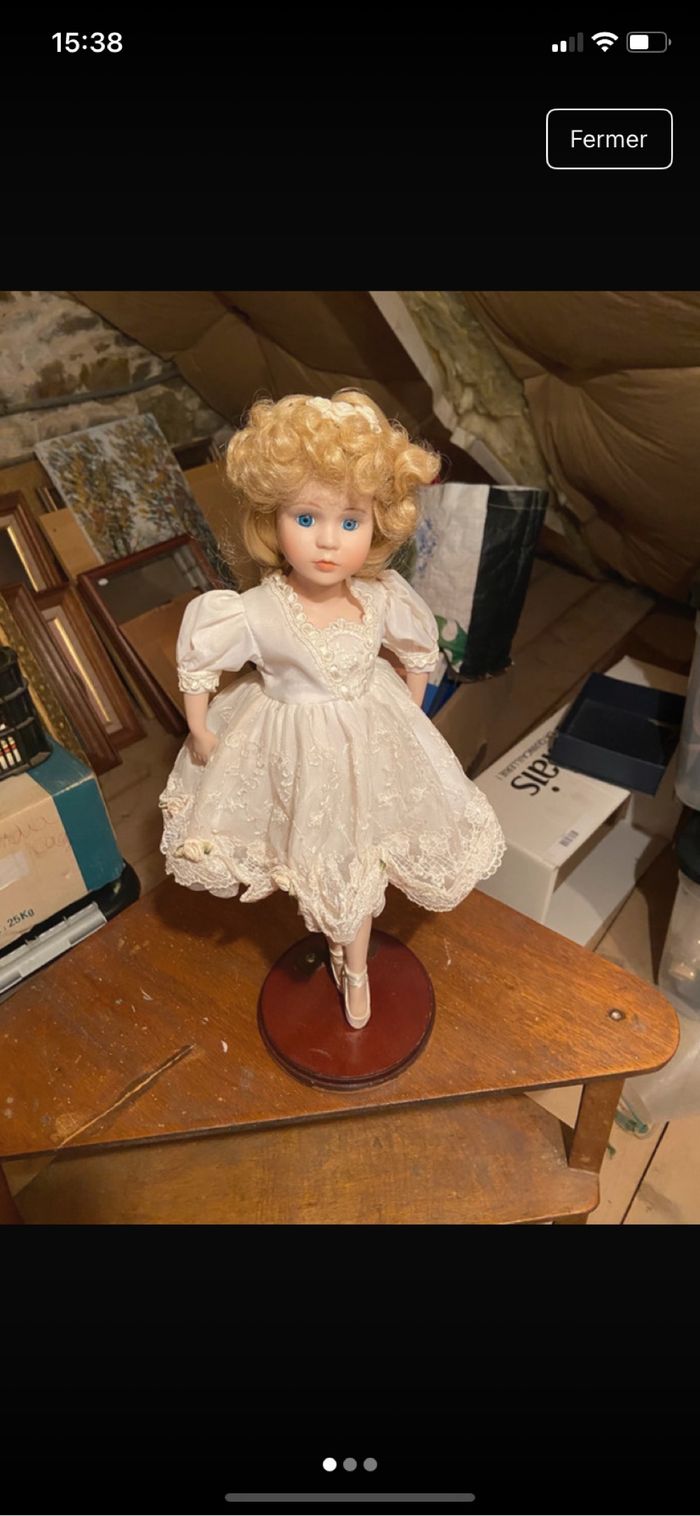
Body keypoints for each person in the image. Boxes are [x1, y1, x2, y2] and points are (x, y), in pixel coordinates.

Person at [159, 390, 505, 1030]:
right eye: (305, 517)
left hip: (369, 735)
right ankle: (345, 948)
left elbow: (418, 651)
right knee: (318, 852)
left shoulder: (381, 595)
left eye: (350, 522)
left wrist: (410, 714)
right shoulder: (255, 611)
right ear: (274, 519)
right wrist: (200, 727)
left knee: (366, 848)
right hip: (291, 743)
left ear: (377, 526)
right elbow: (202, 663)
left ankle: (356, 962)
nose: (326, 541)